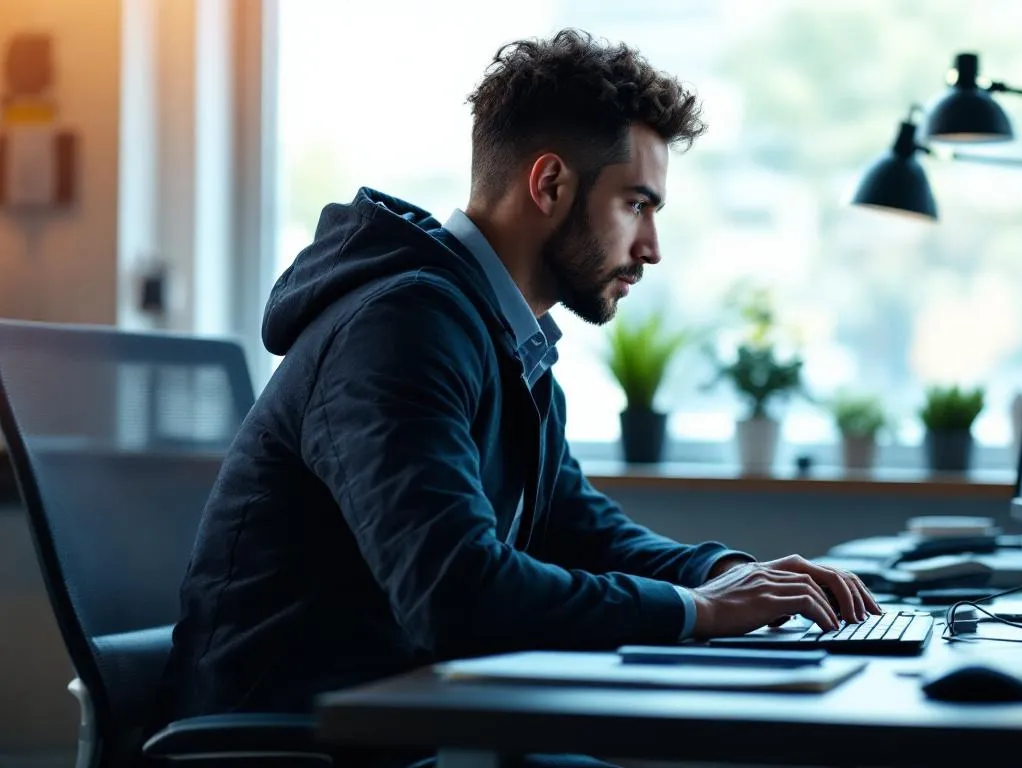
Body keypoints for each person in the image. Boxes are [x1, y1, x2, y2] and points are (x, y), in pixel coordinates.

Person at [155, 28, 878, 765]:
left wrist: (722, 574)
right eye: (636, 204)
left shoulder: (505, 341)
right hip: (300, 743)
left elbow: (583, 529)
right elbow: (455, 590)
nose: (652, 247)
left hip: (408, 722)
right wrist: (699, 612)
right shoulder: (401, 328)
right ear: (550, 185)